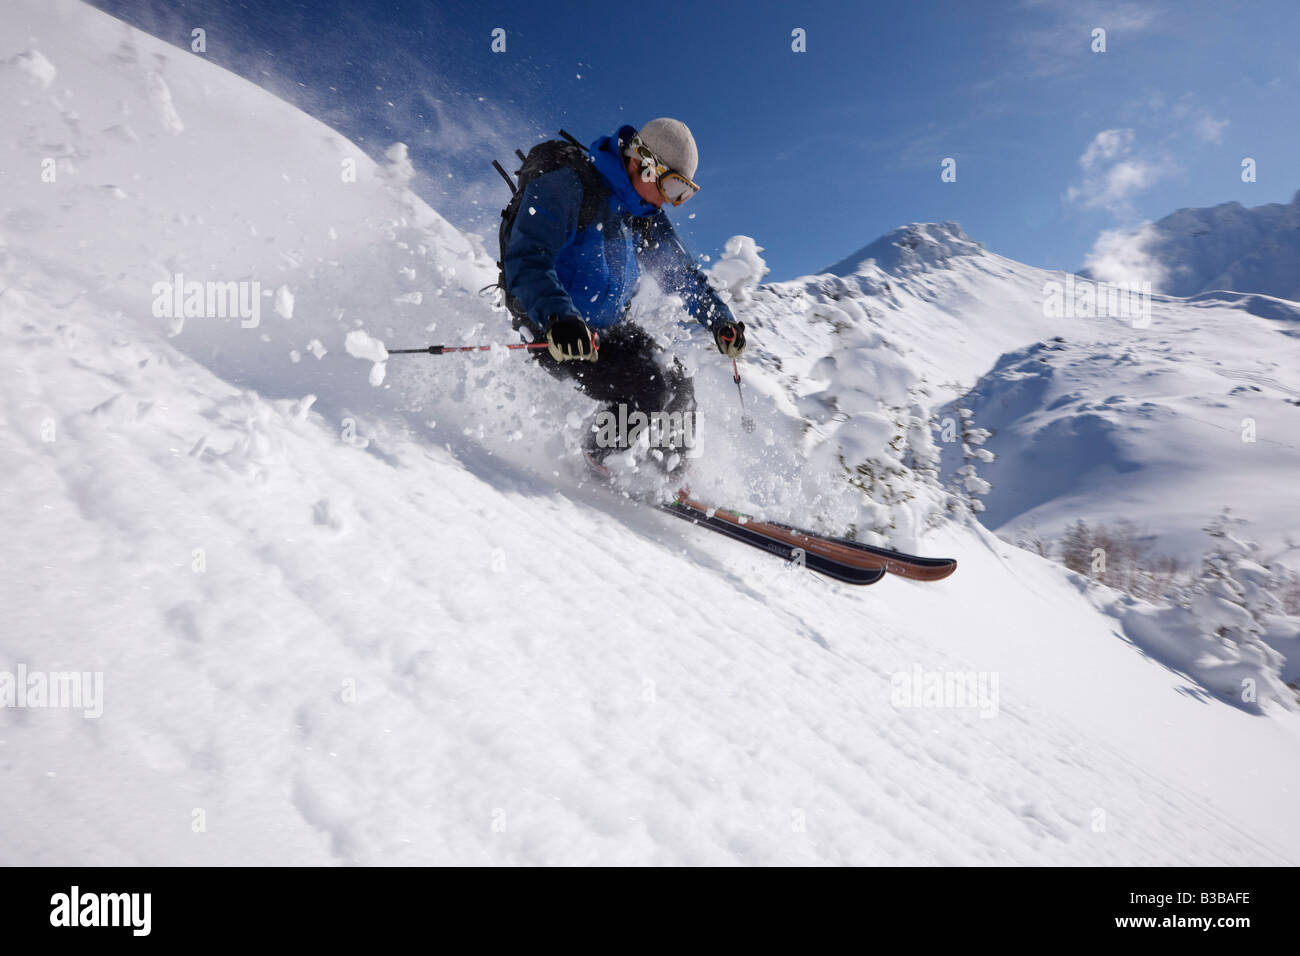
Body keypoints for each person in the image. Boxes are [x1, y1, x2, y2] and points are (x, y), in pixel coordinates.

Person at [501, 118, 747, 478]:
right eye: (673, 186)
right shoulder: (568, 187)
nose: (672, 201)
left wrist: (720, 320)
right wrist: (559, 317)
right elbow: (526, 259)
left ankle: (670, 474)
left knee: (678, 379)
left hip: (606, 327)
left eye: (684, 192)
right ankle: (597, 458)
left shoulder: (643, 217)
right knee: (648, 391)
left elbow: (683, 276)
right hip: (556, 331)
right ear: (641, 164)